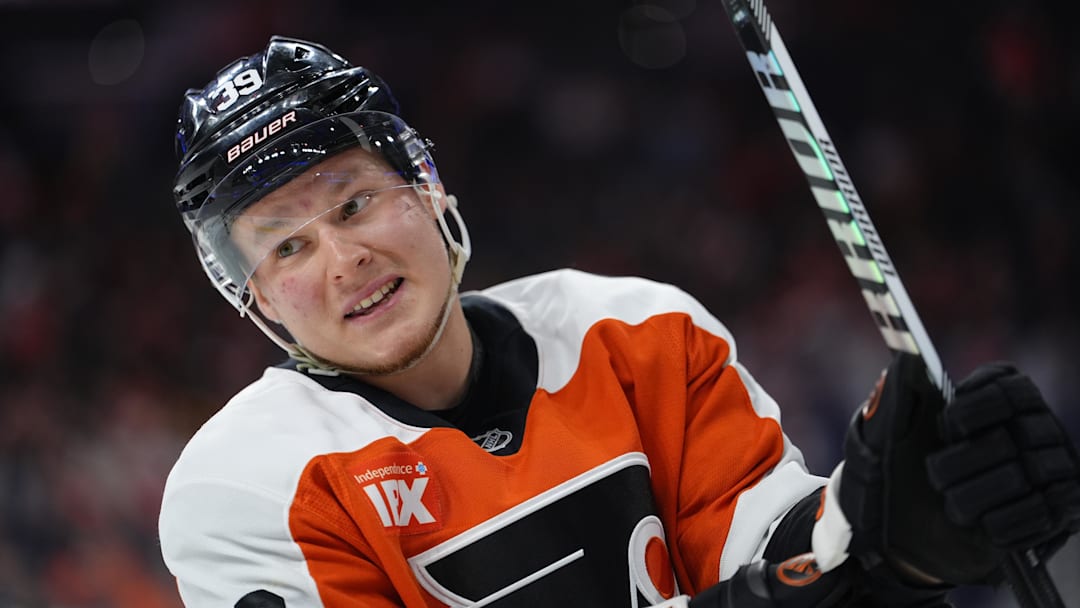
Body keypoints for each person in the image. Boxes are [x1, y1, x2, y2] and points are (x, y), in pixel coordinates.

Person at [160, 36, 1080, 608]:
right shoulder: (246, 487)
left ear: (426, 186)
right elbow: (785, 596)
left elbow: (772, 551)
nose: (341, 259)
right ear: (257, 299)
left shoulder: (632, 331)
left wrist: (894, 536)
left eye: (356, 203)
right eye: (287, 248)